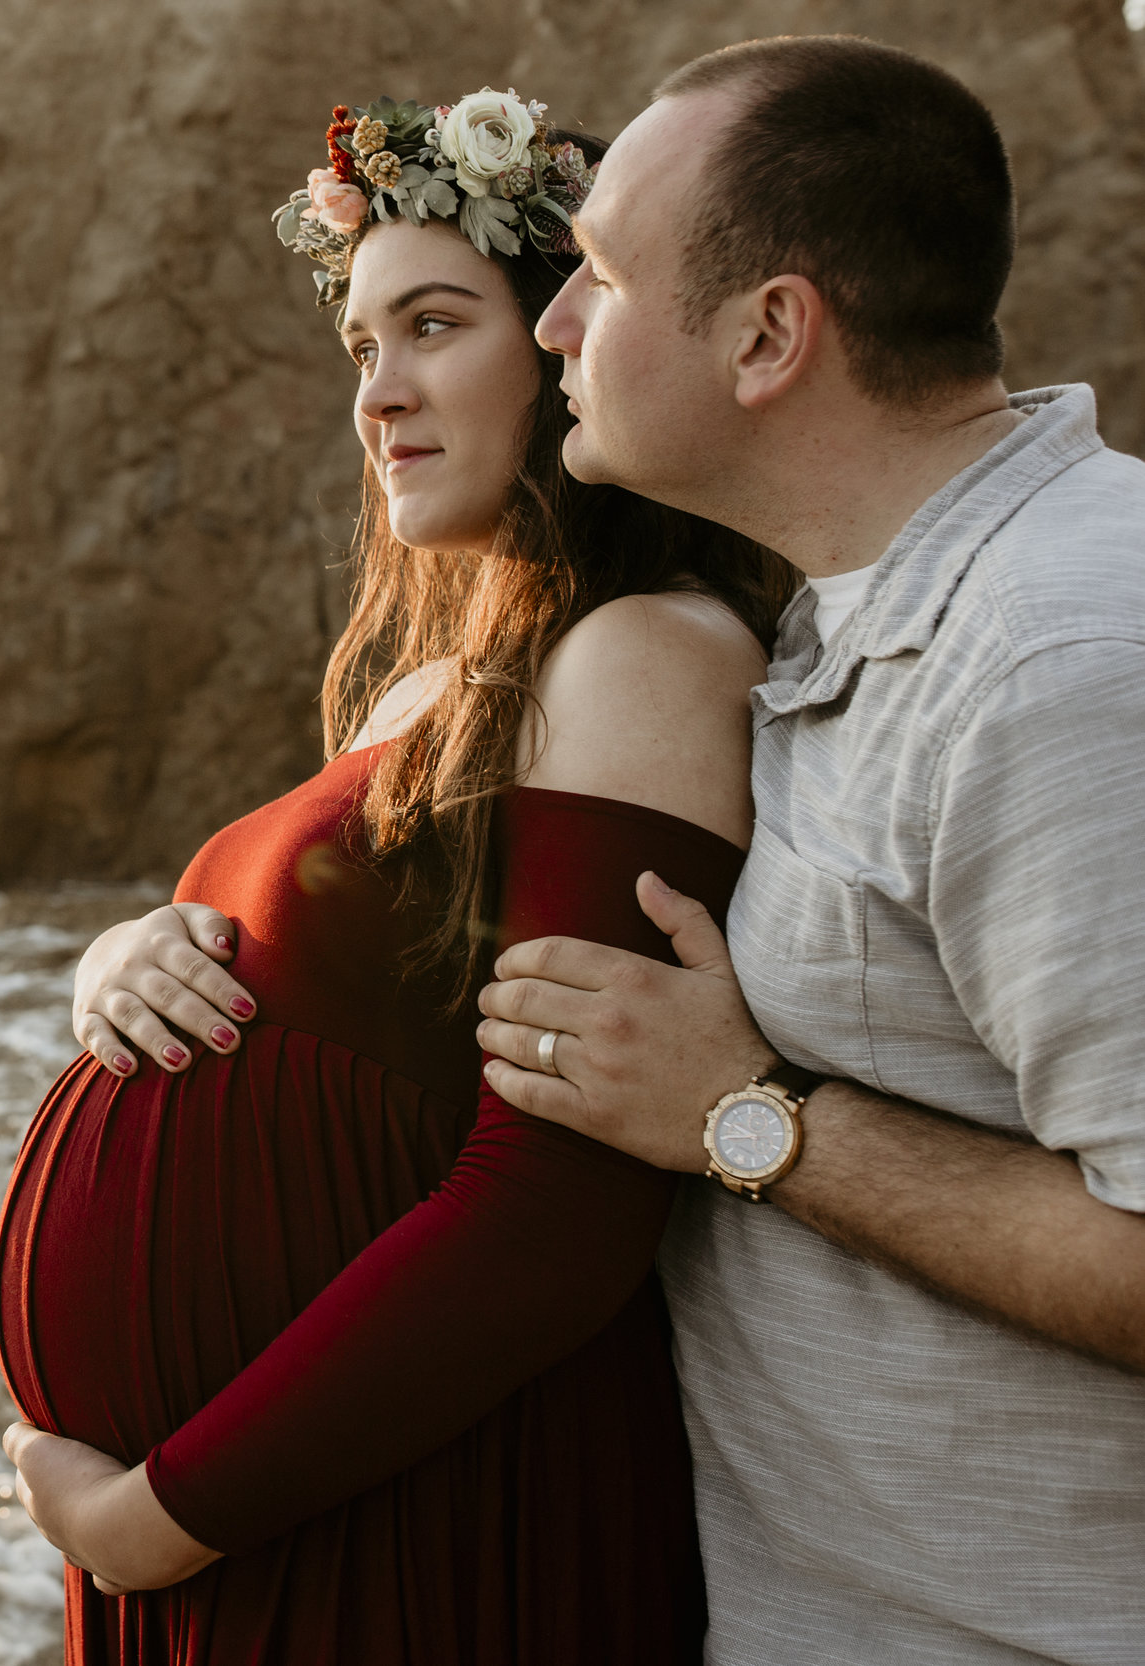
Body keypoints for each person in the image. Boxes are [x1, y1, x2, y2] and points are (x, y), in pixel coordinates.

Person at [0, 89, 793, 1661]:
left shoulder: (639, 656)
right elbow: (321, 986)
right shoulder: (431, 691)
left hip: (405, 1529)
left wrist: (160, 1514)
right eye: (363, 346)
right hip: (285, 1519)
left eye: (433, 325)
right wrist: (122, 959)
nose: (380, 392)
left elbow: (555, 1208)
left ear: (573, 334)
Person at [454, 37, 1145, 1666]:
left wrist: (750, 1119)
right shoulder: (875, 603)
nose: (551, 320)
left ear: (771, 333)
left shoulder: (1058, 668)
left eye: (603, 275)